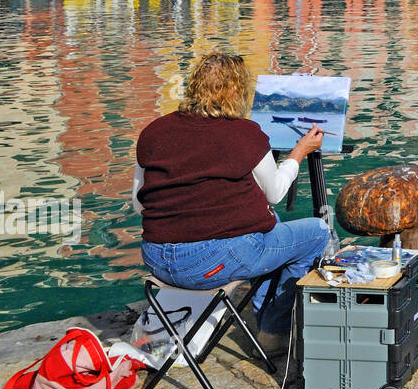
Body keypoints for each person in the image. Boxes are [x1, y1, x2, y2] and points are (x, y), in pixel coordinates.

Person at [133, 53, 330, 353]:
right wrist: (300, 151)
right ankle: (272, 332)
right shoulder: (244, 135)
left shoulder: (153, 132)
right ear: (238, 91)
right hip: (210, 264)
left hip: (157, 261)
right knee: (316, 232)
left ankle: (267, 324)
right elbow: (275, 192)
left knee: (270, 224)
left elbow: (138, 204)